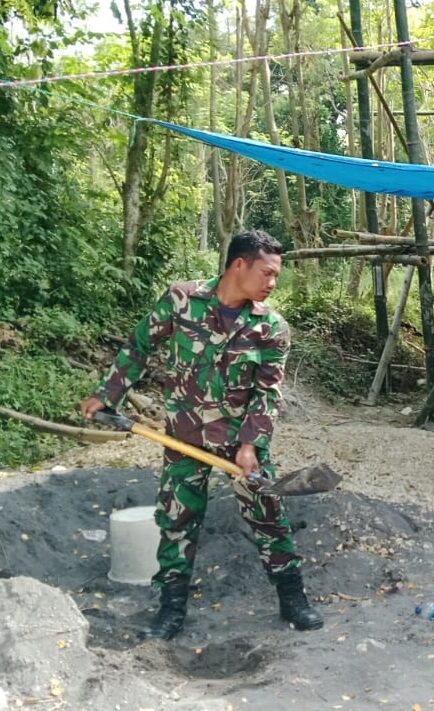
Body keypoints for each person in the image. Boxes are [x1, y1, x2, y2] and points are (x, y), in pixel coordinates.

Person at [80, 230, 323, 638]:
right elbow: (139, 346)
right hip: (184, 436)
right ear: (239, 264)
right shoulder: (181, 300)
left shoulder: (271, 328)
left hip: (239, 442)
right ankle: (171, 609)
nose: (272, 283)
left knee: (267, 515)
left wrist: (251, 445)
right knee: (177, 519)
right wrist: (107, 394)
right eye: (267, 273)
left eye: (276, 275)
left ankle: (292, 598)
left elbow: (267, 394)